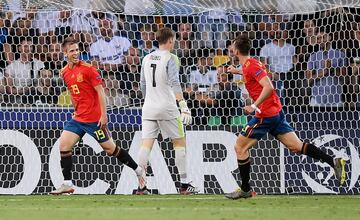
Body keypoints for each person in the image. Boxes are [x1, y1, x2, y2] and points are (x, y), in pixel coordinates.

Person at [224, 35, 346, 199]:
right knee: (296, 146)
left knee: (240, 148)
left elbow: (268, 86)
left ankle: (245, 189)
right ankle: (334, 162)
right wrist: (236, 71)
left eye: (232, 47)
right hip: (276, 112)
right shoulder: (250, 64)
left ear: (236, 50)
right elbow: (253, 74)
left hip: (265, 114)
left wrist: (253, 106)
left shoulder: (251, 66)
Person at [50, 37, 145, 195]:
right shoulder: (64, 72)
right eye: (72, 50)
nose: (76, 53)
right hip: (78, 118)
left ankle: (138, 170)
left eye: (77, 49)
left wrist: (104, 115)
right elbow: (73, 93)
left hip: (94, 119)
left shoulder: (88, 69)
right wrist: (75, 109)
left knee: (110, 149)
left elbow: (100, 92)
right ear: (65, 53)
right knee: (64, 145)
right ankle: (67, 184)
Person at [137, 27, 198, 195]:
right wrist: (183, 105)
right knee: (179, 143)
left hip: (148, 108)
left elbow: (142, 83)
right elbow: (174, 82)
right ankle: (185, 184)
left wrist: (148, 99)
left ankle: (141, 186)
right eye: (174, 40)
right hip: (168, 107)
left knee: (146, 145)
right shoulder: (171, 58)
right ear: (170, 40)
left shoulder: (146, 58)